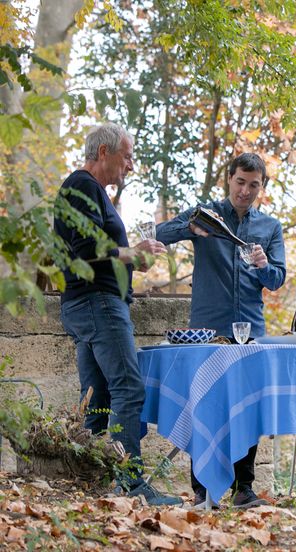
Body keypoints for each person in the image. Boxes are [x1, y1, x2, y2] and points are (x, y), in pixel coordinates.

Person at [54, 123, 181, 506]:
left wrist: (133, 263)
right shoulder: (82, 186)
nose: (130, 164)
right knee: (128, 388)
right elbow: (85, 249)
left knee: (99, 397)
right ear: (104, 152)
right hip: (97, 303)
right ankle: (128, 483)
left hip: (85, 304)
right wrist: (130, 253)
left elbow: (95, 250)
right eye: (126, 155)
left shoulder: (90, 193)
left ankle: (92, 481)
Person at [156, 152, 287, 509]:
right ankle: (202, 490)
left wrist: (264, 266)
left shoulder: (270, 227)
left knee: (248, 408)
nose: (245, 191)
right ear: (229, 180)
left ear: (263, 187)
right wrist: (189, 228)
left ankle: (244, 488)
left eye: (254, 185)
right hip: (205, 329)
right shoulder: (206, 214)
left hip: (250, 331)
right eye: (240, 182)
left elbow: (277, 280)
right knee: (205, 405)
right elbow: (159, 233)